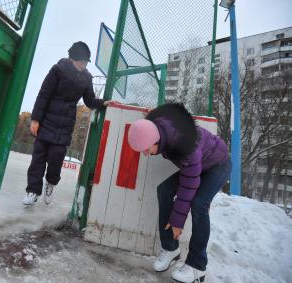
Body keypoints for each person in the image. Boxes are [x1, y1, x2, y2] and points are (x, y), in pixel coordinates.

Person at [127, 103, 231, 283]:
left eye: (145, 149)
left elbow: (188, 186)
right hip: (198, 164)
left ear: (155, 140)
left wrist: (177, 222)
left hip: (217, 165)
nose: (145, 153)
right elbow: (155, 120)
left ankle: (197, 266)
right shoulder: (159, 129)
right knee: (164, 190)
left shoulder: (185, 145)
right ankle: (170, 248)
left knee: (199, 205)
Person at [22, 41, 109, 206]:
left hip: (65, 125)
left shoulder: (86, 78)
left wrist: (103, 103)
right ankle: (32, 191)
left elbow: (89, 100)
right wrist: (35, 119)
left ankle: (51, 184)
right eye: (81, 61)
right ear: (72, 59)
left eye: (86, 62)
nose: (84, 64)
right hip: (46, 120)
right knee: (38, 159)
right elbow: (44, 94)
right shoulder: (58, 70)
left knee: (56, 160)